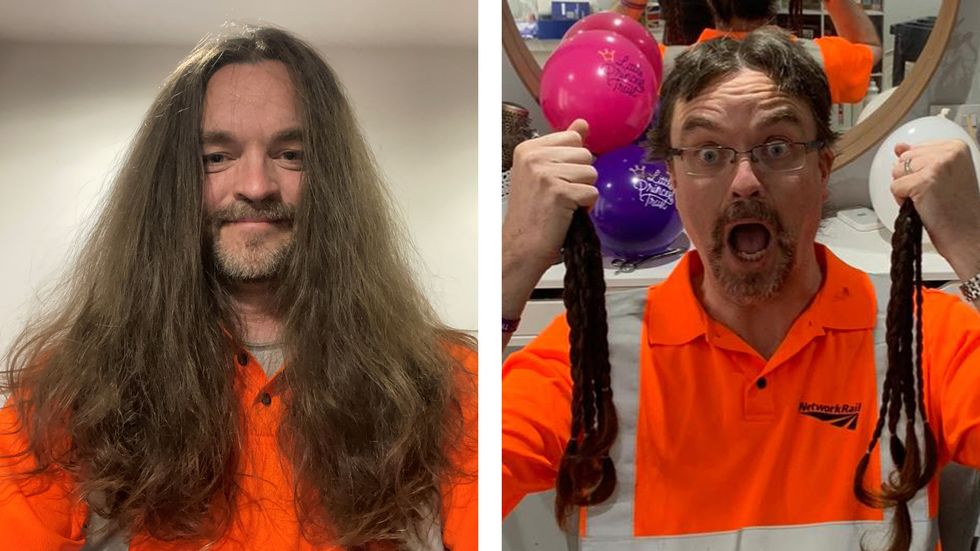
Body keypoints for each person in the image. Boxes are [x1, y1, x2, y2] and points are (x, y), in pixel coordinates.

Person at [502, 27, 980, 550]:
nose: (745, 180)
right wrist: (515, 261)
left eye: (776, 147)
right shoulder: (588, 358)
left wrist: (975, 253)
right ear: (673, 179)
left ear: (823, 168)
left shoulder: (924, 336)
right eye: (708, 153)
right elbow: (436, 489)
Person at [0, 26, 477, 550]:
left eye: (291, 154)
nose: (256, 186)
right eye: (216, 158)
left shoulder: (441, 381)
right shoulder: (67, 388)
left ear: (334, 180)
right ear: (169, 184)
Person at [613, 0, 882, 103]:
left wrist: (633, 3)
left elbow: (595, 46)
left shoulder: (665, 65)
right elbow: (869, 47)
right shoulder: (815, 61)